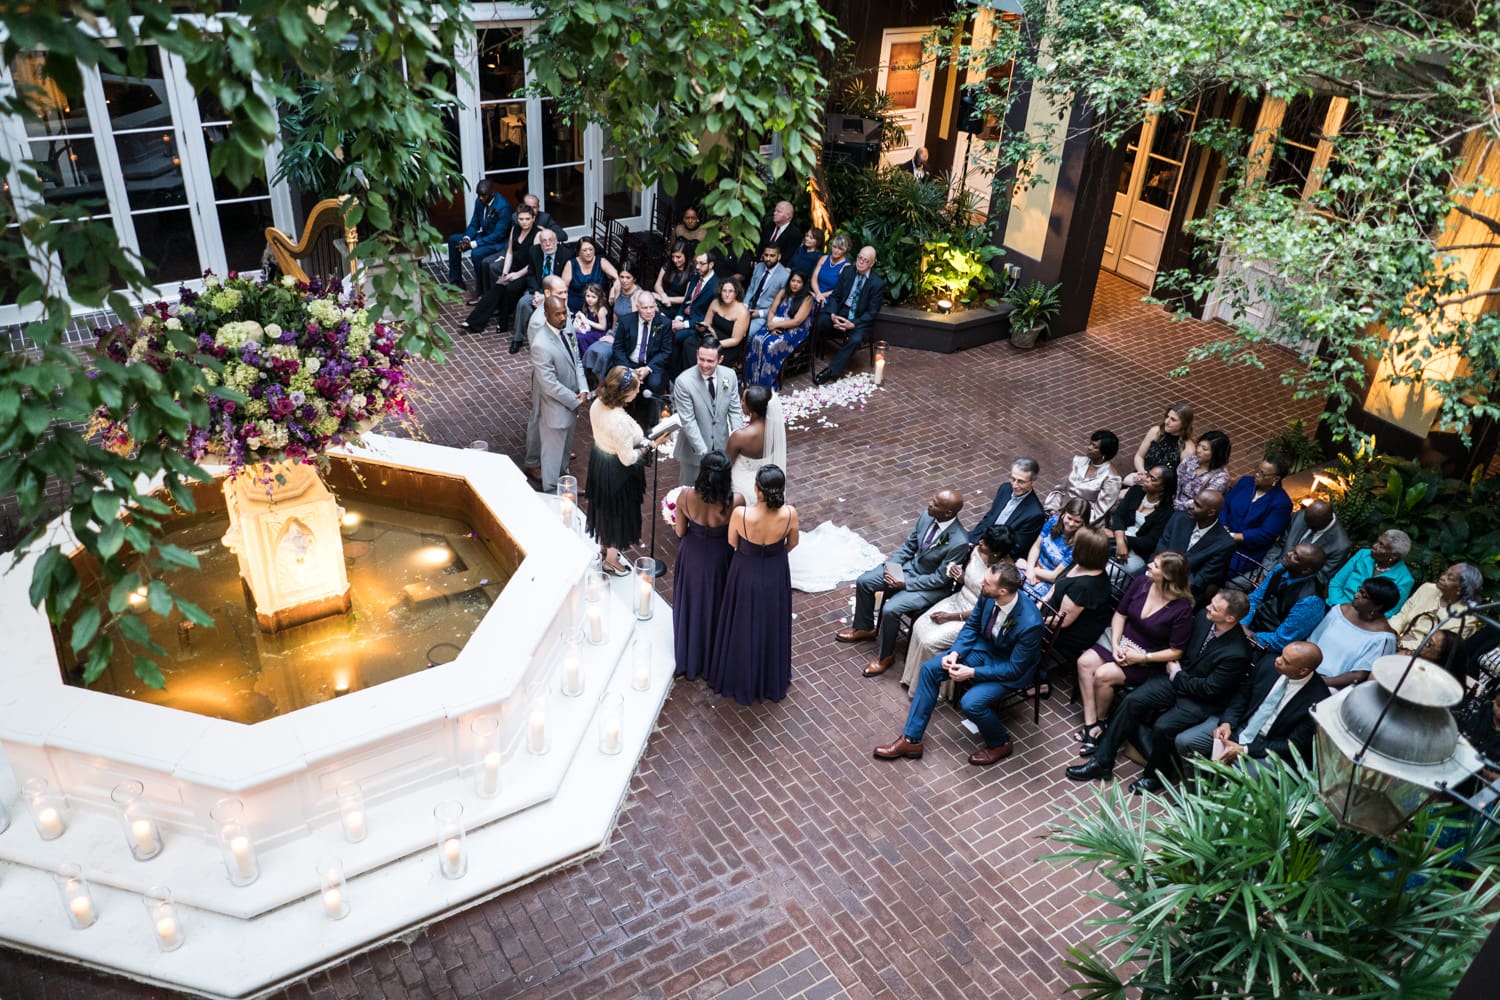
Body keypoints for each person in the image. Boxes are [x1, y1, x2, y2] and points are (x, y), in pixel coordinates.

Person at [1067, 589, 1253, 792]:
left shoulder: (1237, 652)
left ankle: (1154, 777)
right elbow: (1179, 647)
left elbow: (1209, 689)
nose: (1208, 607)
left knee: (1163, 726)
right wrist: (1147, 656)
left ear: (1230, 618)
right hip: (1176, 679)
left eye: (1214, 608)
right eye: (1211, 603)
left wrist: (1177, 675)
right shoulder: (1203, 618)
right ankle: (1102, 762)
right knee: (1132, 700)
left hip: (1199, 700)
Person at [873, 562, 1045, 767]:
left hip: (1008, 668)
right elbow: (972, 626)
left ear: (1003, 591)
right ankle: (911, 740)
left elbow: (1014, 668)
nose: (981, 583)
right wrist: (955, 653)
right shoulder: (988, 594)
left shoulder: (1030, 623)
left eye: (987, 582)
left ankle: (1001, 742)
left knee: (971, 703)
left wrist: (971, 672)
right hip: (985, 649)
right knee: (930, 669)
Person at [839, 488, 971, 678]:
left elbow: (940, 578)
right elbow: (909, 546)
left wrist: (905, 584)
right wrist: (891, 567)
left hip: (929, 587)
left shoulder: (959, 541)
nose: (929, 505)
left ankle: (885, 656)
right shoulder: (926, 516)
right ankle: (865, 628)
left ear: (948, 513)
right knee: (865, 581)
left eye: (935, 504)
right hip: (908, 569)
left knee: (891, 609)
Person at [1073, 552, 1194, 750]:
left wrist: (1141, 657)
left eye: (1154, 565)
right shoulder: (1141, 583)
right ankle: (1091, 723)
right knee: (1084, 663)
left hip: (1148, 656)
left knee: (1103, 675)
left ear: (1167, 576)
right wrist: (1115, 645)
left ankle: (1102, 721)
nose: (1148, 565)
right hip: (1121, 639)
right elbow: (1120, 615)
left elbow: (1176, 651)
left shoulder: (1182, 609)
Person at [705, 464, 799, 705]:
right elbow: (793, 544)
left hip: (745, 571)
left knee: (742, 622)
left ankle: (739, 674)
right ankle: (768, 678)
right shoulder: (790, 513)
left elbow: (732, 542)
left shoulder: (741, 514)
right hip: (776, 572)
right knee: (771, 622)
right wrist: (774, 554)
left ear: (757, 489)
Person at [1174, 641, 1330, 770]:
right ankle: (1195, 794)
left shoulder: (1318, 700)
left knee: (1245, 775)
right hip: (1240, 725)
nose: (1278, 660)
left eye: (1286, 661)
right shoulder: (1269, 663)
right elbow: (1242, 696)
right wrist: (1227, 722)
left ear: (1303, 670)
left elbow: (1293, 744)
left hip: (1268, 744)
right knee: (1186, 741)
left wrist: (1245, 750)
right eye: (1282, 654)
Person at [899, 524, 1013, 692]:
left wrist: (951, 617)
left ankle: (934, 688)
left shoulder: (1005, 573)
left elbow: (988, 611)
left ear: (996, 551)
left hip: (974, 616)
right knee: (918, 626)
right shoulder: (977, 551)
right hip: (958, 599)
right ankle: (911, 678)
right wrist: (959, 575)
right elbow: (968, 581)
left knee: (930, 642)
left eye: (986, 542)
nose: (980, 542)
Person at [585, 367, 667, 575]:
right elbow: (628, 458)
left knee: (604, 508)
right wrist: (651, 445)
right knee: (617, 514)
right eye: (636, 389)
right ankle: (611, 561)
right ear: (623, 393)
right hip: (617, 472)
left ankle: (605, 547)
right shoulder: (619, 421)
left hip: (600, 461)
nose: (638, 392)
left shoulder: (597, 403)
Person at [672, 450, 744, 681]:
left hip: (692, 557)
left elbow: (681, 531)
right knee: (715, 605)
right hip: (719, 558)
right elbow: (736, 539)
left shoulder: (684, 496)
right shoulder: (736, 501)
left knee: (692, 604)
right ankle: (714, 654)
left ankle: (691, 653)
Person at [1036, 525, 1116, 697]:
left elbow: (1062, 621)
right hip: (1055, 611)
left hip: (1074, 629)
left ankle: (1040, 681)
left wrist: (1035, 620)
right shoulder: (1079, 562)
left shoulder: (1084, 587)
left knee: (1029, 633)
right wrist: (1042, 601)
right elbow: (1059, 581)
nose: (1072, 543)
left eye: (1076, 543)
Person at [527, 296, 587, 492]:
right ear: (546, 315)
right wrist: (574, 400)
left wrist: (584, 388)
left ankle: (564, 483)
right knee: (552, 456)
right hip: (556, 408)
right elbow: (549, 385)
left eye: (564, 313)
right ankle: (552, 491)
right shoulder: (540, 345)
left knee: (564, 452)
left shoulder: (566, 327)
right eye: (558, 314)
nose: (563, 318)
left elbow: (576, 359)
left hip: (573, 402)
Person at [671, 335, 744, 488]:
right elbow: (688, 421)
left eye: (710, 361)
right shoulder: (683, 381)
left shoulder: (729, 375)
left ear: (720, 359)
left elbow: (735, 410)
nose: (704, 364)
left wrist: (737, 441)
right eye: (701, 359)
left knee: (719, 493)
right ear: (697, 355)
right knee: (691, 494)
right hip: (694, 452)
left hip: (722, 447)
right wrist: (704, 453)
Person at [458, 202, 537, 335]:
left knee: (508, 288)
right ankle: (473, 322)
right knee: (496, 287)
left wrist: (516, 275)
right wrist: (506, 271)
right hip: (513, 268)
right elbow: (510, 252)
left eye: (527, 219)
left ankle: (503, 322)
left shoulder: (537, 234)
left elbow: (533, 262)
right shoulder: (515, 229)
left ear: (533, 218)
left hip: (527, 273)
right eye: (521, 219)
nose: (524, 222)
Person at [521, 274, 570, 484]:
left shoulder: (562, 310)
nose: (565, 297)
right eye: (560, 293)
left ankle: (557, 451)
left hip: (565, 373)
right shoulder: (537, 322)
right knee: (540, 415)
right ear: (547, 294)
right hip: (547, 377)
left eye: (566, 292)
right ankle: (532, 462)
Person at [812, 245, 885, 384]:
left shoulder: (877, 283)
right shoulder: (847, 271)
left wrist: (853, 324)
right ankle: (806, 355)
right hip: (842, 310)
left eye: (865, 260)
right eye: (859, 258)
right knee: (820, 321)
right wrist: (833, 313)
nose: (861, 262)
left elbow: (872, 313)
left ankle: (832, 370)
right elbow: (835, 296)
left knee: (855, 339)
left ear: (872, 263)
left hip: (859, 318)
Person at [1308, 579, 1400, 688]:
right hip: (1305, 670)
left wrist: (1320, 683)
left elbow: (1358, 675)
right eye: (1359, 591)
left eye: (1363, 595)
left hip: (1332, 688)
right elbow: (1312, 641)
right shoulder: (1338, 612)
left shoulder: (1383, 638)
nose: (1356, 595)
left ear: (1377, 606)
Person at [1153, 488, 1236, 602]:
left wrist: (1169, 583)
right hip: (1157, 573)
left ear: (1211, 512)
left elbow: (1202, 578)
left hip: (1184, 590)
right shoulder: (1179, 518)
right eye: (1193, 500)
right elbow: (1162, 545)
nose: (1190, 505)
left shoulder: (1225, 544)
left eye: (1197, 505)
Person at [1241, 543, 1328, 652]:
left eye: (1295, 557)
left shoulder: (1311, 601)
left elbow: (1282, 641)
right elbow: (1255, 599)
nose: (1288, 554)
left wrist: (1248, 637)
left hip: (1266, 645)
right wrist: (1242, 625)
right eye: (1293, 550)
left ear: (1305, 570)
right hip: (1249, 625)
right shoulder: (1282, 568)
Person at [607, 291, 672, 426]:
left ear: (655, 306)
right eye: (644, 308)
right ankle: (619, 419)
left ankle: (651, 424)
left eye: (651, 307)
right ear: (638, 307)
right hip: (629, 363)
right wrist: (629, 370)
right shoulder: (626, 321)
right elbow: (617, 348)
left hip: (651, 364)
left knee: (655, 383)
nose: (649, 311)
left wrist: (648, 368)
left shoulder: (664, 323)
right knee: (621, 381)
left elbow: (666, 352)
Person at [1390, 562, 1485, 653]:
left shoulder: (1466, 617)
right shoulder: (1427, 589)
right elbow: (1402, 615)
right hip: (1396, 639)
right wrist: (1391, 632)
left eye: (1450, 578)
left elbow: (1438, 648)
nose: (1442, 577)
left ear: (1460, 588)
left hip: (1420, 656)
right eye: (1445, 573)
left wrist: (1404, 644)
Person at [745, 270, 815, 390]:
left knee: (770, 345)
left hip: (795, 330)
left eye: (799, 282)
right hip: (775, 323)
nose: (795, 284)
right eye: (793, 281)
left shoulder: (807, 299)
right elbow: (772, 311)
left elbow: (797, 321)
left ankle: (767, 383)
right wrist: (770, 325)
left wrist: (776, 326)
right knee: (756, 339)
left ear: (803, 284)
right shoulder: (783, 292)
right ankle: (753, 380)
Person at [1220, 455, 1292, 570]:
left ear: (1276, 479)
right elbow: (1225, 503)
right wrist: (1223, 526)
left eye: (1262, 473)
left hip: (1243, 552)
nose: (1256, 474)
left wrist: (1233, 536)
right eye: (1257, 469)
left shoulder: (1281, 504)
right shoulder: (1245, 482)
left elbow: (1265, 534)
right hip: (1222, 536)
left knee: (1216, 568)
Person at [1261, 498, 1351, 587]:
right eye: (1307, 522)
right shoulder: (1300, 516)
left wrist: (1281, 584)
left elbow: (1320, 578)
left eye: (1313, 525)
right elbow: (1279, 545)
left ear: (1328, 519)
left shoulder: (1340, 546)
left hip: (1294, 588)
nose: (1307, 526)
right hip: (1270, 569)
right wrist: (1266, 571)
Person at [1326, 528, 1415, 616]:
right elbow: (1336, 583)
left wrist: (1357, 617)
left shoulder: (1404, 580)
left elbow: (1390, 612)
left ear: (1394, 556)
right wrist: (1344, 608)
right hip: (1336, 606)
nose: (1374, 546)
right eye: (1377, 541)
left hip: (1365, 621)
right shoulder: (1363, 554)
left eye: (1381, 545)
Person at [968, 457, 1046, 558]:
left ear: (1033, 482)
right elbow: (989, 517)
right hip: (981, 541)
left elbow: (1017, 546)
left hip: (996, 554)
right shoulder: (1005, 488)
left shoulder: (1035, 514)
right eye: (1013, 479)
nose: (1015, 485)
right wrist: (973, 540)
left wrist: (985, 551)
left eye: (1021, 482)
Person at [510, 228, 572, 353]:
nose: (547, 244)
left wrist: (547, 296)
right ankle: (517, 339)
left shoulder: (566, 254)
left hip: (556, 292)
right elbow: (531, 274)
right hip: (538, 290)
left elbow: (564, 281)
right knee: (523, 303)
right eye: (544, 241)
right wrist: (537, 293)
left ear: (556, 241)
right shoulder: (534, 251)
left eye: (550, 240)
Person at [445, 178, 509, 293]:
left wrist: (473, 244)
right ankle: (456, 281)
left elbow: (498, 235)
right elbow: (474, 224)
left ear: (492, 193)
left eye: (483, 195)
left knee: (477, 253)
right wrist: (466, 238)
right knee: (454, 240)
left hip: (498, 242)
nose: (480, 198)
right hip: (485, 235)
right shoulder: (480, 201)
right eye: (478, 195)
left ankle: (481, 291)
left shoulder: (503, 207)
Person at [727, 385, 787, 506]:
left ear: (751, 408)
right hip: (766, 486)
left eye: (743, 400)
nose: (741, 402)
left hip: (742, 492)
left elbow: (726, 465)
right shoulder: (776, 429)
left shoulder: (740, 436)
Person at [1111, 465, 1177, 574]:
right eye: (1148, 475)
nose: (1145, 479)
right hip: (1118, 538)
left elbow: (1149, 542)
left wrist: (1124, 539)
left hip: (1138, 552)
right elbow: (1118, 515)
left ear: (1163, 487)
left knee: (1111, 571)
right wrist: (1119, 540)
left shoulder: (1167, 512)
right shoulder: (1136, 490)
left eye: (1152, 479)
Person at [1022, 498, 1089, 602]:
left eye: (1077, 521)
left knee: (1023, 598)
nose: (1071, 524)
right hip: (1033, 567)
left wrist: (1027, 567)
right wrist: (1030, 568)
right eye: (1069, 518)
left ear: (1083, 523)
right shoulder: (1053, 521)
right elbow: (1036, 546)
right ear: (1063, 514)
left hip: (1048, 581)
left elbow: (1054, 576)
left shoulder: (1079, 543)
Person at [583, 264, 641, 382]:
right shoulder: (618, 289)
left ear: (634, 279)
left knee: (603, 354)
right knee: (592, 349)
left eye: (628, 277)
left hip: (628, 337)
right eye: (622, 277)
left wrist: (617, 339)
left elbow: (635, 325)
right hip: (616, 331)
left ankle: (606, 386)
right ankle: (596, 384)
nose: (624, 281)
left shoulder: (637, 295)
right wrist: (611, 332)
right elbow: (615, 314)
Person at [1049, 430, 1122, 523]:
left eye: (1095, 447)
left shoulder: (1112, 479)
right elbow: (1061, 488)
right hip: (1060, 512)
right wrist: (1053, 508)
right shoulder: (1077, 461)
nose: (1089, 448)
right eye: (1090, 443)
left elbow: (1099, 511)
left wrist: (1072, 521)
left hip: (1082, 522)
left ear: (1104, 453)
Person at [670, 252, 720, 373]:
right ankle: (671, 373)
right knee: (665, 328)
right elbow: (686, 300)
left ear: (711, 264)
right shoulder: (695, 277)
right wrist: (679, 318)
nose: (697, 267)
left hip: (698, 324)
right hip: (685, 317)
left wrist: (684, 324)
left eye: (702, 264)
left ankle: (677, 374)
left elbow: (707, 316)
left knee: (674, 336)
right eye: (696, 263)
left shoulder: (716, 285)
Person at [1127, 402, 1195, 482]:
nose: (1167, 421)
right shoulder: (1155, 431)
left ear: (1184, 424)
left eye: (1173, 419)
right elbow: (1139, 456)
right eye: (1167, 417)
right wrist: (1142, 472)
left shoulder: (1188, 449)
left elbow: (1181, 479)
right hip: (1143, 478)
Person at [1170, 430, 1231, 510]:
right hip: (1175, 502)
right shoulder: (1192, 460)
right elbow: (1177, 479)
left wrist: (1177, 505)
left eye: (1204, 449)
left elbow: (1204, 501)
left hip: (1193, 511)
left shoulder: (1221, 477)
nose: (1198, 450)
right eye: (1199, 445)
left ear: (1216, 454)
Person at [698, 278, 751, 367]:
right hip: (712, 336)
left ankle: (709, 379)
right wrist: (702, 327)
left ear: (736, 293)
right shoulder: (715, 302)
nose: (727, 294)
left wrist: (714, 344)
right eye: (724, 291)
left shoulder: (742, 311)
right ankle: (693, 378)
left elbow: (736, 340)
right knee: (689, 343)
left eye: (731, 291)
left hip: (728, 344)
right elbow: (706, 323)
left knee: (711, 356)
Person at [561, 236, 619, 315]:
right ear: (579, 252)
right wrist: (565, 308)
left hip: (598, 308)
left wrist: (614, 289)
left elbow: (618, 277)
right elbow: (563, 288)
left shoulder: (601, 261)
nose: (588, 253)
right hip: (576, 308)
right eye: (584, 250)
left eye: (591, 249)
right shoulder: (571, 264)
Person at [744, 245, 789, 341]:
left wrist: (760, 313)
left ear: (779, 256)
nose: (768, 259)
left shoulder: (785, 276)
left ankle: (743, 355)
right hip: (748, 308)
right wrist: (745, 305)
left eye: (772, 256)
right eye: (766, 255)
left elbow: (780, 305)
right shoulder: (759, 266)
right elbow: (751, 289)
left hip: (764, 314)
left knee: (746, 332)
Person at [810, 233, 851, 315]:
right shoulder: (824, 258)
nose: (836, 250)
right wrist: (818, 294)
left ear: (845, 250)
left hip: (829, 299)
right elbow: (814, 279)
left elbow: (840, 289)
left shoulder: (846, 266)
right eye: (834, 247)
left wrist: (822, 296)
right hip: (815, 294)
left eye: (840, 249)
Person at [570, 282, 611, 362]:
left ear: (599, 298)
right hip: (590, 330)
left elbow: (603, 327)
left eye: (593, 297)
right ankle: (574, 354)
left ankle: (584, 358)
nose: (590, 299)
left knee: (579, 337)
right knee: (572, 335)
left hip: (598, 333)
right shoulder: (588, 307)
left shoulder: (600, 310)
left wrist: (586, 320)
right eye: (588, 296)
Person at [653, 241, 693, 315]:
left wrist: (667, 299)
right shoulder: (668, 264)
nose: (675, 260)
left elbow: (686, 298)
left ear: (686, 256)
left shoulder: (691, 272)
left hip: (675, 305)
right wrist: (662, 295)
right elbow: (657, 284)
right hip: (663, 297)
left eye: (678, 257)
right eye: (673, 256)